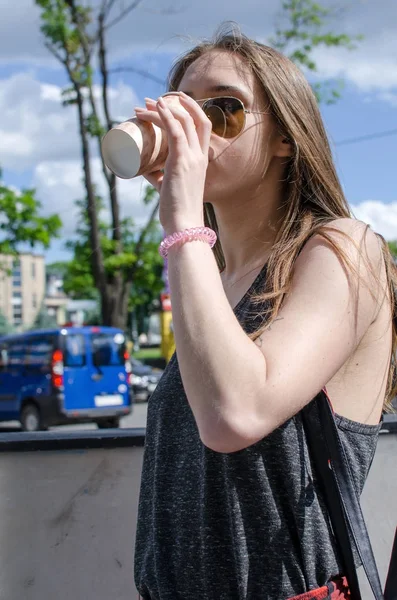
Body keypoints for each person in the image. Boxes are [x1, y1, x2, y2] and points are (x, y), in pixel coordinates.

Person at [133, 24, 397, 600]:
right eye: (181, 111)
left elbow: (236, 413)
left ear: (285, 137)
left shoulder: (343, 249)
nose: (194, 131)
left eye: (221, 111)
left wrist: (182, 224)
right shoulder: (209, 273)